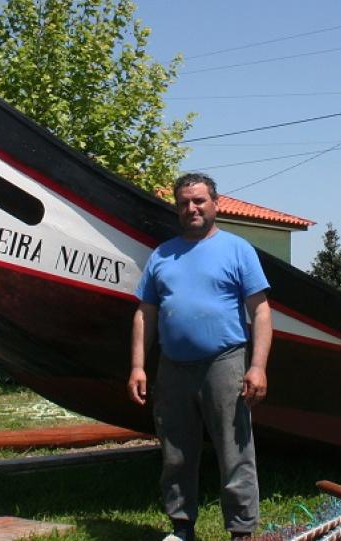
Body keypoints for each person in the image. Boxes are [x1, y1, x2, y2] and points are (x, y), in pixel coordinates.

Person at [128, 172, 272, 541]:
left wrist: (257, 367)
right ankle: (181, 527)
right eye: (183, 203)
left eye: (198, 201)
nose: (191, 208)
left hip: (225, 363)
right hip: (172, 367)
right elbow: (146, 313)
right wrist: (138, 366)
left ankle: (241, 531)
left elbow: (260, 311)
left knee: (234, 450)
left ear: (215, 204)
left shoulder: (238, 250)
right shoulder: (162, 254)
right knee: (175, 451)